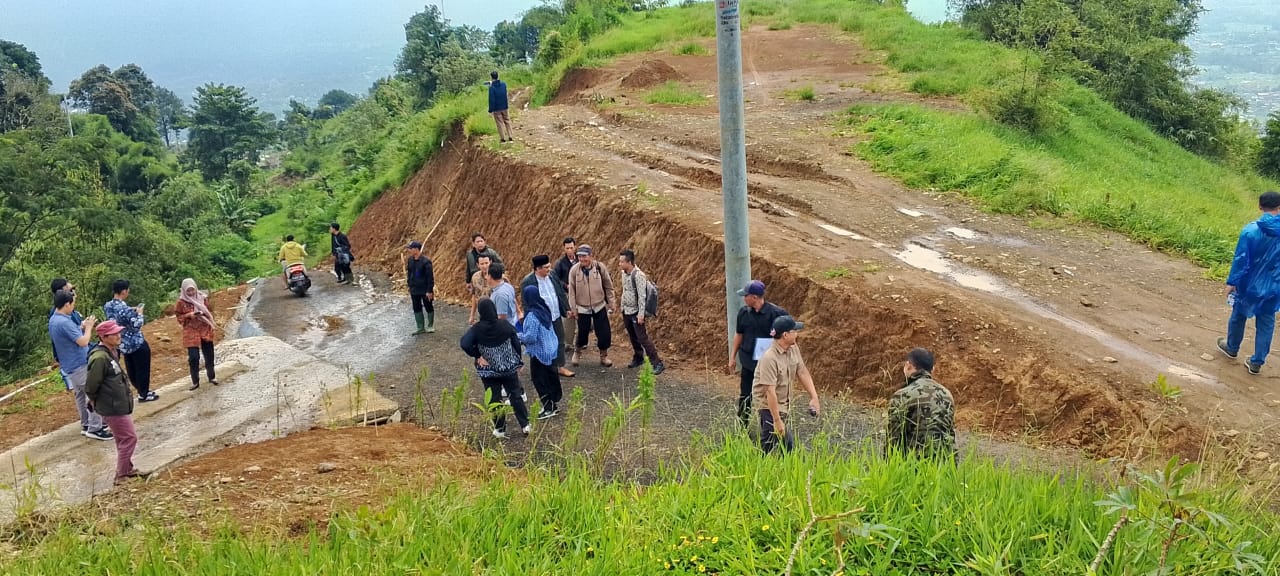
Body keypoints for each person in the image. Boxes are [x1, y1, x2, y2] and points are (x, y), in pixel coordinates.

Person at [1218, 191, 1280, 374]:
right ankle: (1257, 362)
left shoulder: (1250, 230)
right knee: (1267, 321)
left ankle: (1232, 347)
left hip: (1249, 283)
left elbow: (1241, 259)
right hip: (1275, 285)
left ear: (1260, 206)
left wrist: (1232, 282)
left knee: (1239, 314)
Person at [460, 298, 531, 438]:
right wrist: (519, 362)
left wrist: (478, 355)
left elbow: (464, 343)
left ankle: (500, 429)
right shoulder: (504, 324)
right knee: (515, 395)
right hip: (508, 367)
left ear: (481, 312)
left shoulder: (476, 329)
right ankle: (525, 425)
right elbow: (516, 342)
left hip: (489, 371)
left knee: (494, 398)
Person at [48, 289, 112, 440]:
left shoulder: (54, 319)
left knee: (80, 395)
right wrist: (89, 328)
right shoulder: (64, 322)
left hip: (69, 365)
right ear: (67, 304)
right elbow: (83, 342)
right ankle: (96, 428)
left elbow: (71, 334)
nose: (73, 307)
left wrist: (81, 327)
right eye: (72, 304)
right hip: (79, 364)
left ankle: (86, 424)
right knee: (95, 392)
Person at [84, 320, 143, 484]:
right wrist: (95, 401)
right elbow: (91, 385)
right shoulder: (99, 358)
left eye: (118, 332)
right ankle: (122, 475)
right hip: (112, 407)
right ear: (103, 337)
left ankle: (127, 468)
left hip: (117, 404)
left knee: (122, 439)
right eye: (114, 334)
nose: (118, 336)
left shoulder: (111, 352)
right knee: (129, 438)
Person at [752, 316, 820, 454]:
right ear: (785, 335)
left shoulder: (793, 348)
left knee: (777, 441)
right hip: (768, 405)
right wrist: (777, 420)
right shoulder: (769, 358)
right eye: (794, 331)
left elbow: (802, 371)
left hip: (783, 402)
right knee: (782, 442)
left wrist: (814, 397)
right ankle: (764, 468)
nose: (797, 333)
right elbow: (769, 392)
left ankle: (772, 467)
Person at [727, 280, 789, 428]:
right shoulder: (743, 313)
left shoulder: (777, 314)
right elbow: (739, 334)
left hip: (769, 365)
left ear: (754, 297)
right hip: (748, 362)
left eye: (746, 295)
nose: (743, 298)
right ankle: (742, 426)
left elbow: (787, 337)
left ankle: (771, 427)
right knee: (746, 395)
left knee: (770, 395)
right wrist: (732, 357)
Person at [887, 348, 957, 459]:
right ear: (932, 369)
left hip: (913, 465)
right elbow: (950, 434)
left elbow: (893, 440)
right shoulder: (947, 394)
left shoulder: (902, 395)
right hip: (944, 464)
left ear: (908, 365)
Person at [102, 279, 157, 402]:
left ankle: (141, 390)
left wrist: (130, 310)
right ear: (124, 291)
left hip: (122, 344)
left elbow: (116, 317)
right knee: (142, 368)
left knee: (131, 369)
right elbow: (137, 325)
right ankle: (144, 393)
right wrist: (140, 314)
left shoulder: (108, 306)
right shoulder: (124, 308)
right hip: (136, 342)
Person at [521, 254, 575, 378]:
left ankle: (560, 366)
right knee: (542, 344)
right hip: (540, 319)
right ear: (537, 269)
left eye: (549, 266)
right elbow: (526, 302)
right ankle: (543, 369)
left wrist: (566, 309)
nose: (549, 269)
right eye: (546, 267)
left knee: (560, 340)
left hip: (555, 315)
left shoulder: (552, 276)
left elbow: (559, 293)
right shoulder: (528, 281)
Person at [567, 244, 616, 367]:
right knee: (582, 333)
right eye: (579, 256)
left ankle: (603, 356)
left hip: (599, 305)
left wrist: (611, 303)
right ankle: (577, 352)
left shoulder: (600, 267)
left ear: (591, 256)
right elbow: (571, 291)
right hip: (582, 308)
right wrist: (573, 308)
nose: (582, 259)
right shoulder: (574, 271)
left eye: (584, 256)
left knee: (604, 333)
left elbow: (608, 286)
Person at [519, 285, 563, 419]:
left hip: (539, 353)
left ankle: (548, 407)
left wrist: (518, 336)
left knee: (539, 380)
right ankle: (554, 403)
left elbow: (530, 337)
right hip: (550, 349)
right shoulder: (544, 309)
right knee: (551, 377)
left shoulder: (532, 315)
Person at [618, 249, 665, 375]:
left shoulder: (639, 276)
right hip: (626, 311)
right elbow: (625, 291)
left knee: (642, 338)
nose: (619, 264)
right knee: (633, 336)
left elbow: (642, 296)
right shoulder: (624, 274)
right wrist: (622, 307)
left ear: (629, 262)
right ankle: (638, 357)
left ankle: (657, 362)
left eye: (622, 261)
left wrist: (641, 314)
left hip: (636, 312)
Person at [175, 278, 218, 390]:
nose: (190, 293)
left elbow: (209, 311)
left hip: (204, 327)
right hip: (190, 330)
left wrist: (203, 314)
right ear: (184, 291)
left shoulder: (202, 298)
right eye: (188, 291)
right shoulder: (181, 302)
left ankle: (212, 376)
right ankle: (195, 381)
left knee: (209, 354)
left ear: (195, 288)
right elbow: (179, 317)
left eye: (192, 290)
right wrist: (189, 315)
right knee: (194, 357)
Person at [470, 254, 523, 325]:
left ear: (490, 262)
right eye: (482, 264)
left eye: (486, 263)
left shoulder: (501, 278)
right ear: (478, 265)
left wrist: (519, 312)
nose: (485, 266)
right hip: (482, 312)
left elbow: (511, 296)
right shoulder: (475, 277)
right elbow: (474, 296)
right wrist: (472, 315)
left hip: (497, 313)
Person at [555, 237, 578, 358]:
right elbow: (556, 279)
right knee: (569, 318)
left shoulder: (580, 259)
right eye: (567, 248)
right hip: (567, 293)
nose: (570, 250)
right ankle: (568, 343)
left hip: (580, 292)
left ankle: (579, 342)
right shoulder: (560, 263)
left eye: (571, 247)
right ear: (564, 248)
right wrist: (565, 285)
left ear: (575, 247)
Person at [406, 240, 436, 335]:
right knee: (416, 307)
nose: (409, 250)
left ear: (416, 249)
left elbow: (430, 277)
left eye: (410, 248)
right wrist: (409, 285)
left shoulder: (426, 262)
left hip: (424, 289)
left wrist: (429, 290)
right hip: (414, 289)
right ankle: (420, 327)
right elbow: (409, 274)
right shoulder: (410, 260)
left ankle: (430, 325)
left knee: (428, 306)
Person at [488, 71, 512, 143]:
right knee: (507, 121)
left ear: (491, 77)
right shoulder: (503, 84)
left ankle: (503, 138)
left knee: (500, 123)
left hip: (497, 108)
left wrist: (490, 110)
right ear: (498, 76)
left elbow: (492, 100)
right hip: (505, 106)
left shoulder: (491, 88)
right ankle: (510, 136)